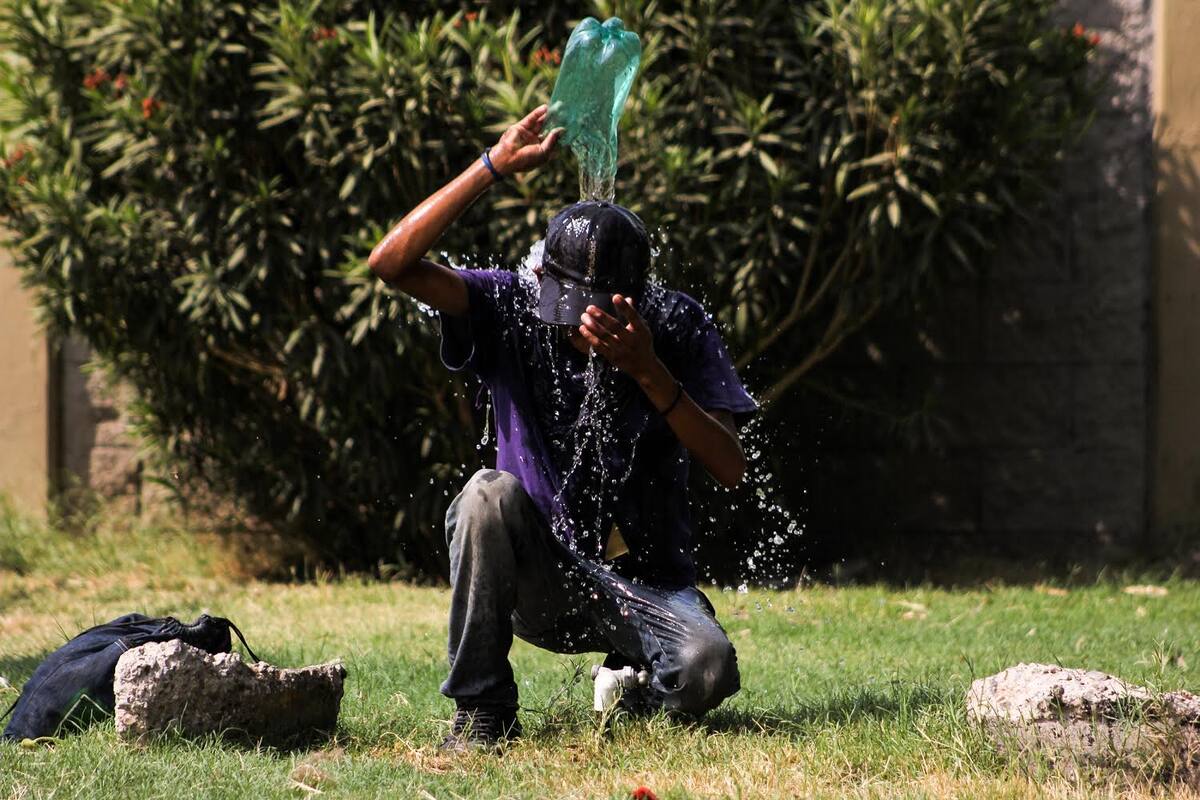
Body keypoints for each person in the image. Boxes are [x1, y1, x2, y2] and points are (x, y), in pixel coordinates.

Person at [368, 105, 758, 750]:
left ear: (639, 296)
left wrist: (650, 372)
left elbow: (731, 466)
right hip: (540, 579)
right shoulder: (508, 304)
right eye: (569, 307)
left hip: (646, 585)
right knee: (484, 495)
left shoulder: (675, 325)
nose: (581, 329)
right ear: (543, 279)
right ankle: (482, 710)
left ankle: (634, 682)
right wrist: (491, 166)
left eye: (602, 313)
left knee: (707, 669)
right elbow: (390, 263)